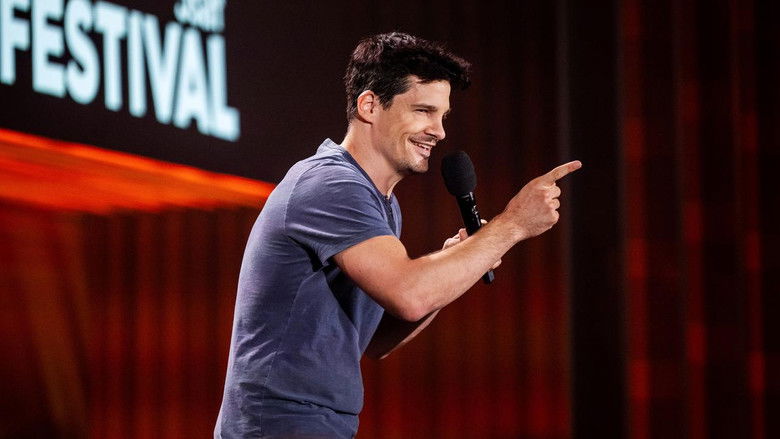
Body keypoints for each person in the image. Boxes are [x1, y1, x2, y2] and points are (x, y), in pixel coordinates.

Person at [214, 32, 581, 438]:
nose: (439, 131)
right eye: (423, 111)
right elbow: (409, 294)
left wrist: (459, 262)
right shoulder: (332, 185)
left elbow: (376, 340)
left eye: (443, 116)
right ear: (369, 105)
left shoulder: (383, 203)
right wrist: (511, 225)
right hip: (277, 424)